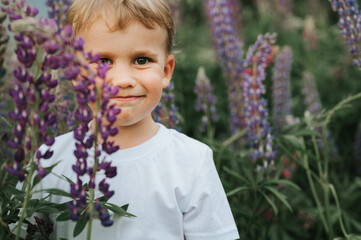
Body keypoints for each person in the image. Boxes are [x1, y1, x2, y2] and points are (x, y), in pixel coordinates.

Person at [35, 0, 240, 239]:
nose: (123, 80)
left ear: (166, 70)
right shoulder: (49, 159)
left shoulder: (192, 161)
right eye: (103, 61)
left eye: (141, 60)